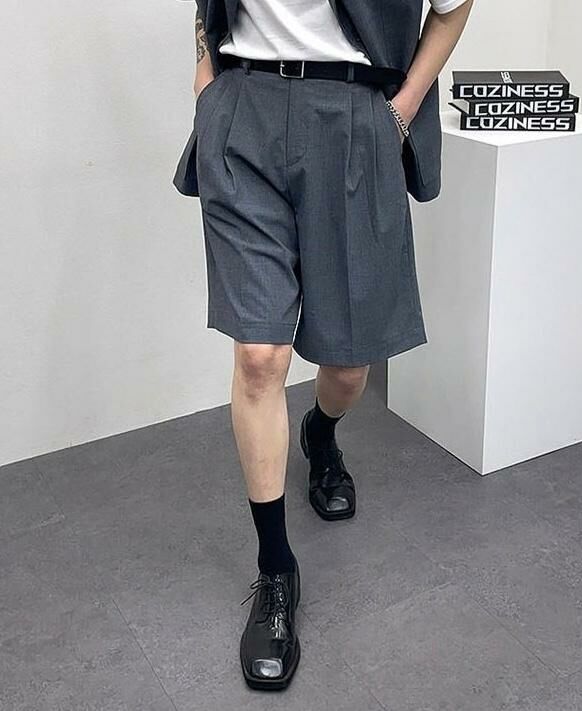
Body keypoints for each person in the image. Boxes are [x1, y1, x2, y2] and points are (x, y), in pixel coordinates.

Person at [174, 0, 474, 690]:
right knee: (259, 356)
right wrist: (206, 75)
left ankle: (322, 431)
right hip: (242, 109)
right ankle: (277, 570)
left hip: (353, 115)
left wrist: (401, 109)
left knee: (346, 364)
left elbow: (453, 9)